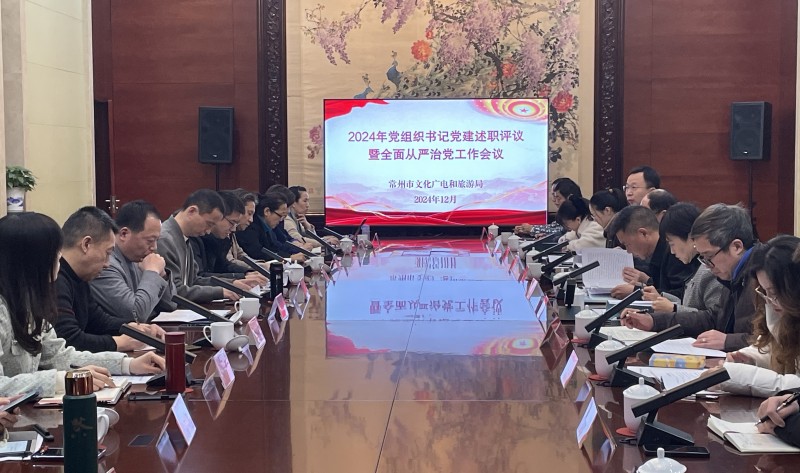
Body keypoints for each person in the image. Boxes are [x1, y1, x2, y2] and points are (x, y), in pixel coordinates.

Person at [0, 212, 164, 398]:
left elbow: (59, 356)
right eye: (55, 254)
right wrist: (62, 380)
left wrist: (127, 364)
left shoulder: (30, 303)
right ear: (31, 261)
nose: (59, 260)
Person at [620, 204, 758, 351]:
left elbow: (771, 342)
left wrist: (727, 341)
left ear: (736, 247)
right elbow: (712, 319)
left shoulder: (762, 278)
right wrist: (654, 321)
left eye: (709, 256)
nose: (707, 266)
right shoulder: (733, 274)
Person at [55, 207, 165, 353]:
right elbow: (68, 340)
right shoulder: (55, 279)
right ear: (86, 244)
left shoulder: (78, 276)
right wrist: (117, 343)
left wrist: (131, 328)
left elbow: (98, 320)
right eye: (107, 253)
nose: (107, 263)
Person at [719, 236, 800, 397]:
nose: (770, 301)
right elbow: (774, 348)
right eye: (764, 292)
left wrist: (736, 376)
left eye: (774, 292)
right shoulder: (778, 311)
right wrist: (753, 359)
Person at [90, 200, 176, 323]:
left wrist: (162, 275)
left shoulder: (138, 258)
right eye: (150, 240)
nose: (154, 247)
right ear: (124, 234)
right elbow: (135, 314)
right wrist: (152, 272)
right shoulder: (105, 265)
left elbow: (171, 305)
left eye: (156, 240)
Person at [157, 189, 248, 303]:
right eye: (209, 224)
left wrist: (231, 283)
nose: (209, 231)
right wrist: (219, 292)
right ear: (192, 211)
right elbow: (175, 291)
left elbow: (194, 280)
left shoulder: (184, 238)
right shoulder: (165, 240)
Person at [641, 203, 723, 314]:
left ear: (689, 236)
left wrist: (673, 309)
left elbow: (714, 318)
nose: (672, 251)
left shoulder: (710, 269)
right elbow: (687, 303)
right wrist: (661, 297)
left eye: (672, 243)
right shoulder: (699, 266)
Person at [606, 205, 699, 300]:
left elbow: (682, 295)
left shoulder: (676, 252)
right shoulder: (658, 252)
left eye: (627, 244)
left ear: (643, 233)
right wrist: (648, 281)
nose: (628, 251)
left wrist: (638, 292)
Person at [190, 190, 264, 284]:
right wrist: (237, 279)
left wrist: (247, 273)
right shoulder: (194, 236)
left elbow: (223, 265)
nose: (233, 229)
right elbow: (199, 278)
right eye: (232, 223)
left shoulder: (219, 238)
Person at [236, 192, 307, 262]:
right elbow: (257, 254)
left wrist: (297, 251)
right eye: (280, 215)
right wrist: (289, 258)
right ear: (267, 211)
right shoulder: (250, 227)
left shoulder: (268, 227)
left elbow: (276, 247)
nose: (281, 220)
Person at [515, 177, 583, 235]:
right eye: (553, 196)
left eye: (557, 197)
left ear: (569, 198)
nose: (554, 200)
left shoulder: (576, 212)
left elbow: (562, 232)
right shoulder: (564, 213)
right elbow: (552, 226)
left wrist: (532, 229)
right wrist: (529, 228)